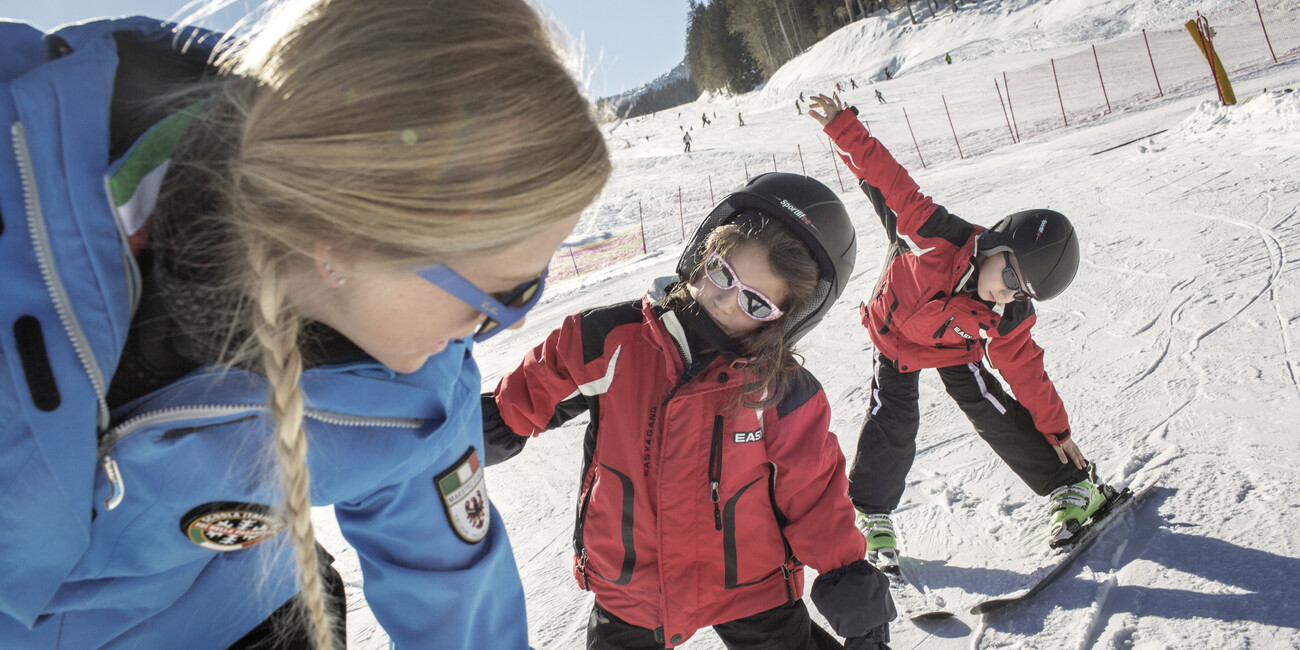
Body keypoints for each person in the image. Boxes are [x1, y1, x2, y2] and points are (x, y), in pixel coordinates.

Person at [0, 0, 610, 648]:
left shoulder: (414, 397)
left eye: (531, 286)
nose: (503, 325)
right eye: (501, 293)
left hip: (224, 620)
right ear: (342, 239)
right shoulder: (24, 168)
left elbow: (459, 606)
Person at [482, 173, 896, 649]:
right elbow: (526, 396)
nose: (723, 300)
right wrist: (451, 442)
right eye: (722, 272)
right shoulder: (612, 341)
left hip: (748, 582)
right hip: (633, 583)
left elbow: (815, 498)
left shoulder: (781, 390)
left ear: (789, 317)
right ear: (705, 249)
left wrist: (855, 598)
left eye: (755, 302)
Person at [807, 93, 1102, 570]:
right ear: (997, 246)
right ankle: (871, 514)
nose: (1009, 294)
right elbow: (889, 176)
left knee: (990, 408)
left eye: (1021, 293)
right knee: (893, 418)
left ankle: (1070, 485)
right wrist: (844, 127)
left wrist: (1059, 430)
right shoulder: (936, 235)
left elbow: (1027, 374)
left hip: (952, 350)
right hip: (895, 337)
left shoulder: (1004, 315)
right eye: (1010, 278)